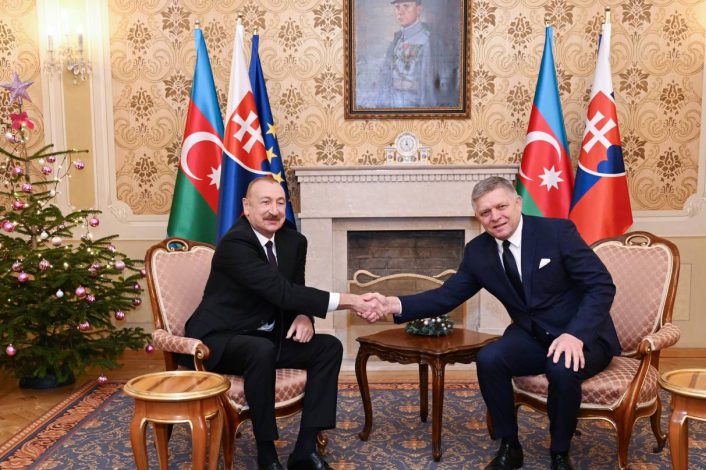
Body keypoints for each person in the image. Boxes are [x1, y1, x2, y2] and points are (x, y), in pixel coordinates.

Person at [365, 176, 620, 470]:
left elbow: (601, 285)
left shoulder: (557, 232)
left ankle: (560, 452)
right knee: (489, 358)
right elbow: (446, 296)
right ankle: (509, 445)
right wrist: (392, 304)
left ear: (518, 203)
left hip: (582, 336)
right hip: (532, 336)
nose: (495, 217)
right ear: (477, 216)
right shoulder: (478, 252)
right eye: (485, 212)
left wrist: (575, 334)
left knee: (561, 368)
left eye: (501, 207)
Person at [185, 177, 379, 470]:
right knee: (259, 349)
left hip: (266, 337)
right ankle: (266, 454)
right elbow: (281, 292)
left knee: (328, 347)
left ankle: (304, 452)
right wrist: (351, 300)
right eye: (265, 202)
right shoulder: (235, 244)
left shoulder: (293, 241)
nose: (274, 210)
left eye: (280, 202)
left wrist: (304, 316)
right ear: (246, 207)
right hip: (220, 339)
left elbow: (295, 289)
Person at [374, 0, 456, 108]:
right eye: (397, 7)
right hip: (392, 104)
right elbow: (385, 78)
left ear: (419, 10)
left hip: (416, 105)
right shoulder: (396, 41)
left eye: (406, 6)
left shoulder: (429, 41)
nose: (400, 12)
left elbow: (435, 88)